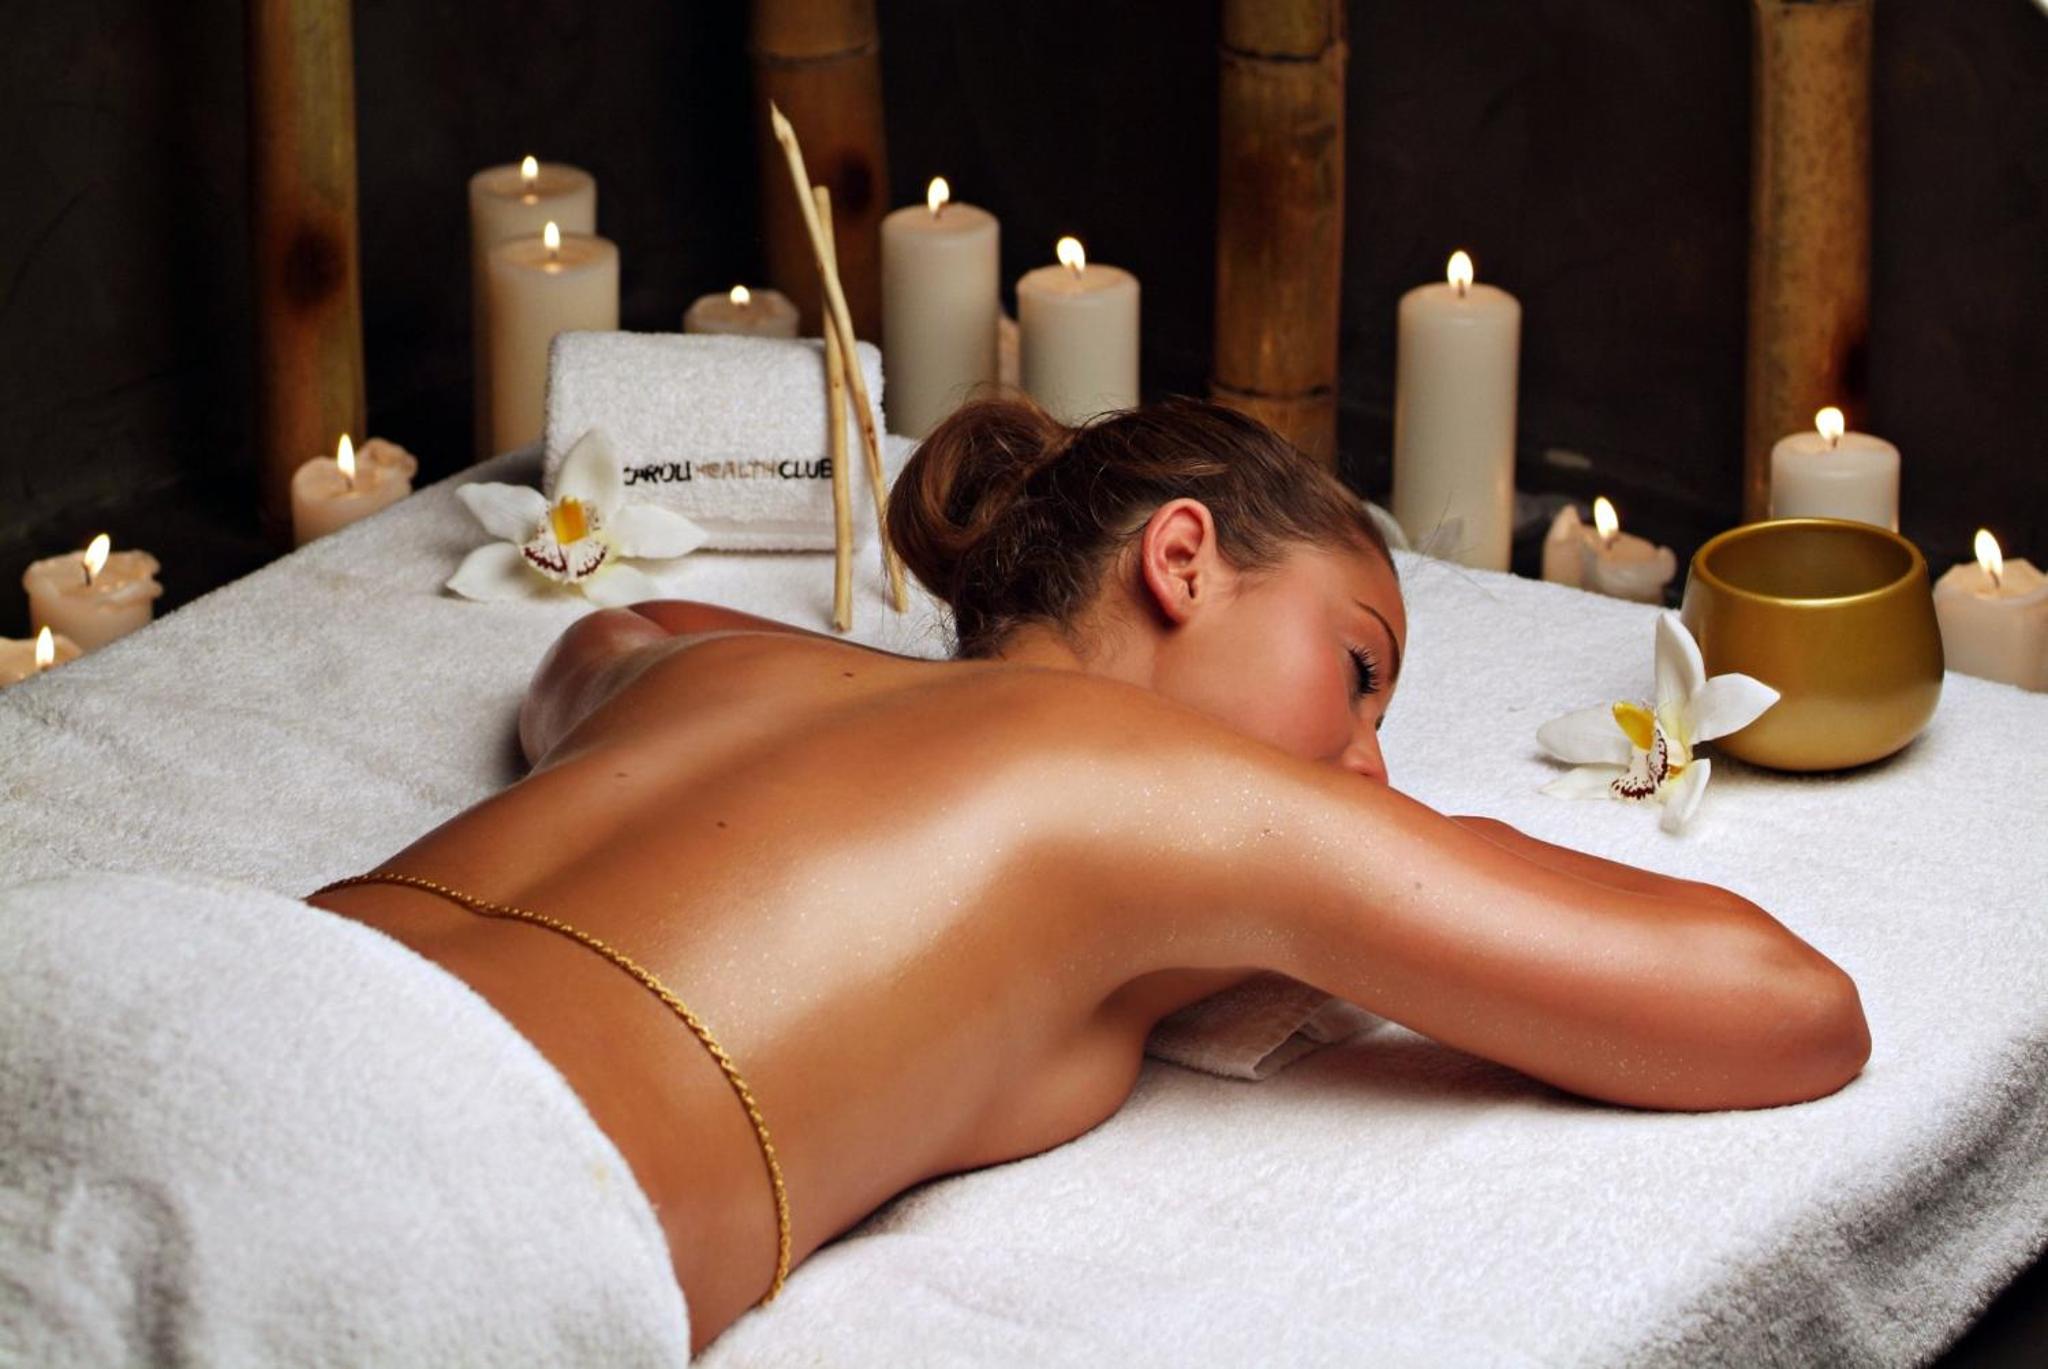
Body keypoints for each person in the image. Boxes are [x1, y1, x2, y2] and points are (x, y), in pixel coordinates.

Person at [306, 394, 1870, 1356]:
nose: (1372, 769)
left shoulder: (698, 680)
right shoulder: (1170, 794)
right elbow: (1791, 1005)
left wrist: (912, 693)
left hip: (244, 991)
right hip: (417, 1219)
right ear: (1182, 558)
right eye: (1356, 671)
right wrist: (1426, 856)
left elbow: (610, 629)